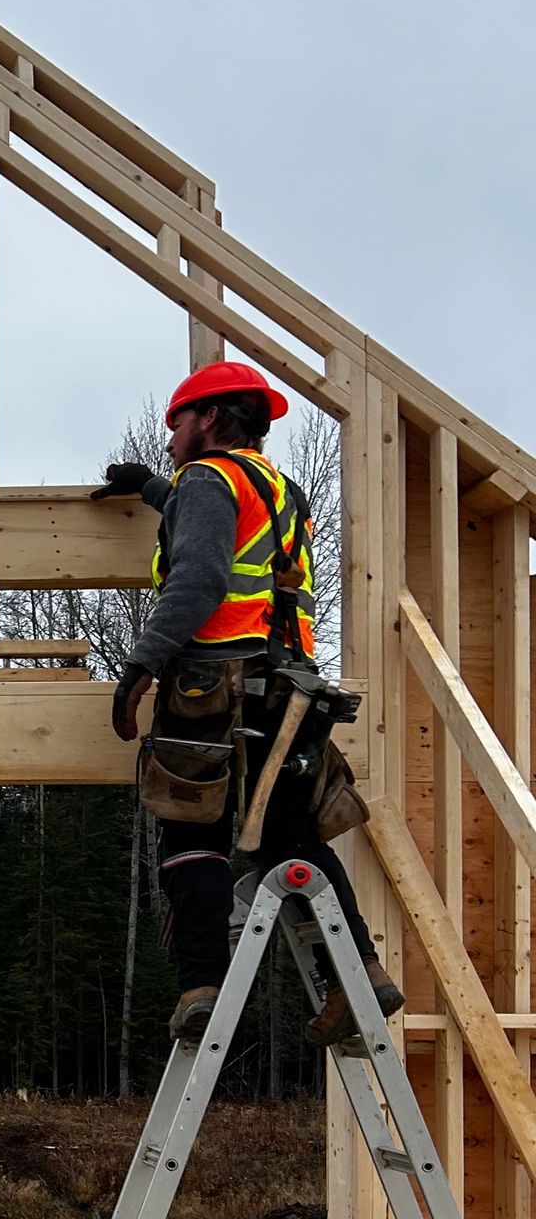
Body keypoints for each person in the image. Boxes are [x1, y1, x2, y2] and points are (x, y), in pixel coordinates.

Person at [94, 361, 403, 1048]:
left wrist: (141, 664)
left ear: (206, 418)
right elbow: (221, 530)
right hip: (289, 692)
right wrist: (147, 485)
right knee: (293, 839)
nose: (170, 439)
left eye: (175, 424)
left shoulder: (205, 480)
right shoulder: (276, 487)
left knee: (191, 833)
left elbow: (202, 573)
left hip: (213, 688)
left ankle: (202, 988)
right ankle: (363, 976)